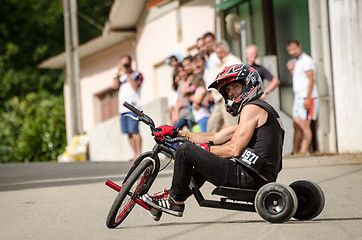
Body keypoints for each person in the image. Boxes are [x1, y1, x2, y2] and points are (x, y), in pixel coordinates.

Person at [142, 64, 285, 218]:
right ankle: (171, 198)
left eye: (235, 86)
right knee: (199, 154)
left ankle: (175, 200)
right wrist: (177, 132)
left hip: (250, 178)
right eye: (228, 90)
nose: (231, 93)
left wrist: (202, 149)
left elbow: (234, 150)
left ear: (249, 84)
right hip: (260, 178)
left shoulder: (252, 109)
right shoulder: (262, 109)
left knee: (185, 150)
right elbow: (216, 137)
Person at [286, 39, 318, 155]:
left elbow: (311, 80)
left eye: (294, 49)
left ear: (299, 47)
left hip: (307, 97)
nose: (292, 52)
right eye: (290, 50)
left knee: (305, 126)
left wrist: (308, 99)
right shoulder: (296, 62)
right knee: (297, 125)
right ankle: (295, 151)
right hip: (298, 97)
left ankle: (303, 152)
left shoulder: (306, 61)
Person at [112, 55, 143, 161]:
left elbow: (135, 87)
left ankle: (139, 153)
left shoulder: (137, 74)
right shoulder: (121, 77)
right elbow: (114, 86)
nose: (125, 65)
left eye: (126, 63)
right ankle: (135, 154)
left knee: (135, 130)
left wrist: (128, 73)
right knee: (128, 133)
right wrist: (118, 72)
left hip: (133, 107)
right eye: (123, 64)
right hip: (122, 109)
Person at [207, 40, 242, 133]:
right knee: (212, 125)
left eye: (221, 52)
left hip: (228, 98)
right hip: (218, 99)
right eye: (217, 53)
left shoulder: (233, 61)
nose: (219, 55)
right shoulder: (220, 63)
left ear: (227, 50)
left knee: (232, 126)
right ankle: (208, 146)